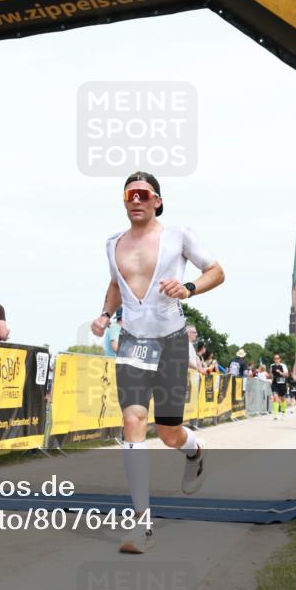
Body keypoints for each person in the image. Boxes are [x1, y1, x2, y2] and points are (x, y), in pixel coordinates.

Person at [89, 171, 225, 554]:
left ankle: (194, 449)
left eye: (143, 194)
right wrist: (104, 315)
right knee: (133, 418)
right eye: (129, 194)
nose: (136, 199)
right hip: (133, 341)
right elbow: (115, 286)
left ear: (157, 200)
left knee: (169, 433)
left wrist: (189, 288)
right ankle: (141, 523)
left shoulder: (179, 235)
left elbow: (216, 270)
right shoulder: (112, 243)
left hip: (170, 342)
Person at [269, 354, 289, 420]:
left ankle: (284, 413)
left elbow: (287, 375)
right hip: (275, 384)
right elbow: (271, 374)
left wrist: (280, 372)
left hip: (282, 384)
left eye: (277, 358)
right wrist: (271, 379)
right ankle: (276, 415)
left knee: (282, 399)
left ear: (280, 359)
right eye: (275, 358)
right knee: (275, 398)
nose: (276, 359)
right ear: (274, 359)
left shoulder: (283, 365)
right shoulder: (272, 366)